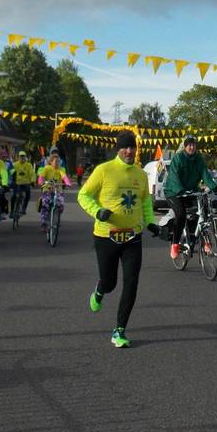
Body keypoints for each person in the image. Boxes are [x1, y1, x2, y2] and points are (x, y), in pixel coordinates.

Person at [77, 130, 159, 348]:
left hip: (133, 237)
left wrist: (150, 222)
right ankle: (100, 290)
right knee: (110, 282)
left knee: (131, 283)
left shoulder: (141, 174)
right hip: (106, 236)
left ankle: (119, 329)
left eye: (133, 147)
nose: (130, 151)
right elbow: (83, 195)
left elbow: (145, 202)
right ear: (118, 149)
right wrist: (97, 211)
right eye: (126, 147)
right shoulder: (104, 170)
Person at [162, 134, 217, 259]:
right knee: (181, 214)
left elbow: (205, 174)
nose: (191, 147)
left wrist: (214, 186)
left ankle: (204, 242)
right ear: (185, 146)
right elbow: (174, 176)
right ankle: (175, 244)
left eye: (193, 145)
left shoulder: (199, 159)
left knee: (203, 210)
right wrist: (179, 190)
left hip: (191, 191)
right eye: (189, 145)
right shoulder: (178, 158)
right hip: (174, 192)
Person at [36, 153, 70, 235]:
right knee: (45, 204)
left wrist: (67, 182)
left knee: (60, 205)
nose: (57, 163)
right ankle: (43, 223)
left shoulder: (61, 169)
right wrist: (40, 181)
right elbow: (41, 176)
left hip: (57, 189)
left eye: (58, 161)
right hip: (47, 189)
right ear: (51, 162)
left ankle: (56, 217)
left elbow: (64, 176)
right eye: (55, 161)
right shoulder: (47, 168)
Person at [10, 150, 35, 217]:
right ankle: (12, 211)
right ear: (18, 157)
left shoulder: (29, 165)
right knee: (13, 196)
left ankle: (23, 208)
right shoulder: (15, 164)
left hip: (26, 183)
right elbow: (11, 172)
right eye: (21, 156)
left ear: (25, 157)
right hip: (17, 183)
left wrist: (32, 181)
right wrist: (12, 177)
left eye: (23, 156)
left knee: (28, 194)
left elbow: (32, 174)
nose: (22, 158)